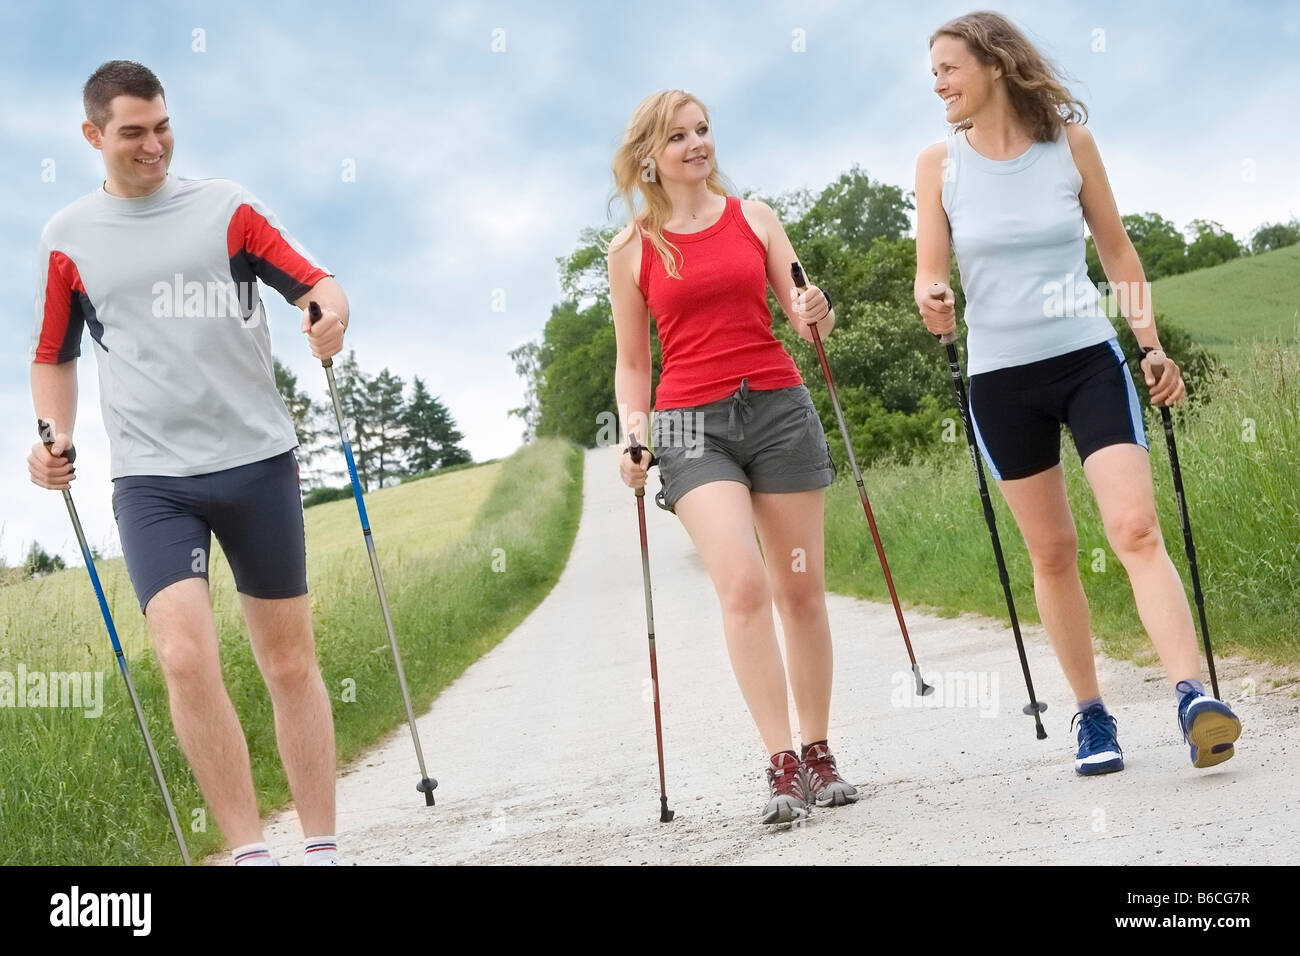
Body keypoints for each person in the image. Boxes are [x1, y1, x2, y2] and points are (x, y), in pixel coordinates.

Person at [28, 60, 347, 864]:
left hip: (256, 460)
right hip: (152, 480)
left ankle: (321, 846)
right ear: (93, 136)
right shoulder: (67, 240)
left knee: (288, 657)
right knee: (180, 654)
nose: (153, 144)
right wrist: (51, 436)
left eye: (162, 125)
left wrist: (328, 316)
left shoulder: (227, 209)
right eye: (132, 131)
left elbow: (316, 285)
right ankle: (247, 851)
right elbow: (52, 356)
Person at [913, 13, 1241, 774]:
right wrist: (933, 297)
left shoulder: (1070, 146)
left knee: (1134, 528)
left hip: (1088, 358)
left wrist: (1150, 344)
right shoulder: (938, 165)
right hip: (1001, 379)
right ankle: (1093, 718)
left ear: (994, 64)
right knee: (1053, 553)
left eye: (949, 69)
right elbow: (930, 271)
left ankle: (1193, 696)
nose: (939, 85)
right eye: (932, 74)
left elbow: (1118, 253)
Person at [609, 90, 858, 824]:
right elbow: (632, 362)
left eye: (703, 130)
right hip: (687, 424)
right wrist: (633, 434)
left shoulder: (756, 218)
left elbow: (807, 314)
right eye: (679, 136)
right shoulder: (632, 249)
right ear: (651, 157)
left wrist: (819, 311)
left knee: (801, 588)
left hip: (778, 406)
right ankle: (781, 761)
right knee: (744, 586)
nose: (697, 144)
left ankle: (820, 751)